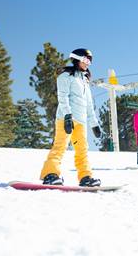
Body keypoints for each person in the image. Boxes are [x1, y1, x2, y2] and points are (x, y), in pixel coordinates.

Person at [39, 48, 102, 187]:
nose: (88, 63)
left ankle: (85, 177)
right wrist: (67, 116)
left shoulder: (85, 80)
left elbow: (89, 104)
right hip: (65, 118)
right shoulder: (65, 76)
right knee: (60, 146)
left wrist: (94, 124)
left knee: (82, 150)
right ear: (77, 59)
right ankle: (50, 174)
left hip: (81, 121)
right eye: (86, 60)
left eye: (90, 61)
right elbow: (63, 97)